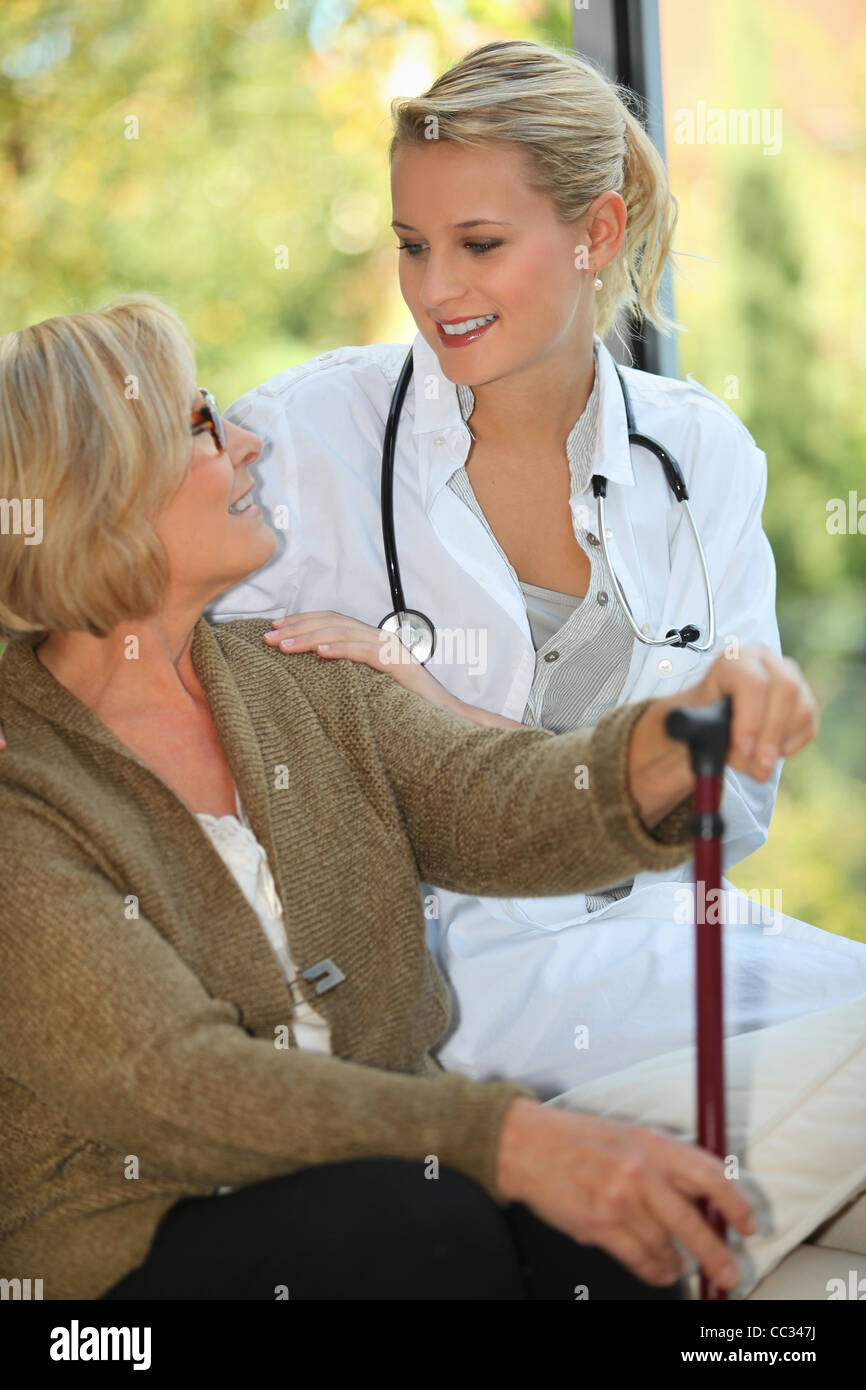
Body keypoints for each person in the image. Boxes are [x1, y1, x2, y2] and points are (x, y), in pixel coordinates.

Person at [0, 296, 814, 1301]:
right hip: (133, 1253)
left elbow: (500, 802)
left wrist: (677, 733)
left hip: (390, 1192)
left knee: (612, 1250)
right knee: (417, 1227)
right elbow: (172, 1079)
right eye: (202, 425)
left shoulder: (296, 674)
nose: (249, 443)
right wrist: (503, 1140)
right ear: (99, 490)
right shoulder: (20, 781)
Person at [206, 38, 866, 1098]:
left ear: (594, 232)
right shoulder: (299, 439)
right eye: (412, 244)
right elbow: (216, 766)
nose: (435, 288)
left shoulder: (699, 455)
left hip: (662, 939)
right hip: (447, 979)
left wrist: (439, 713)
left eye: (478, 243)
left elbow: (729, 813)